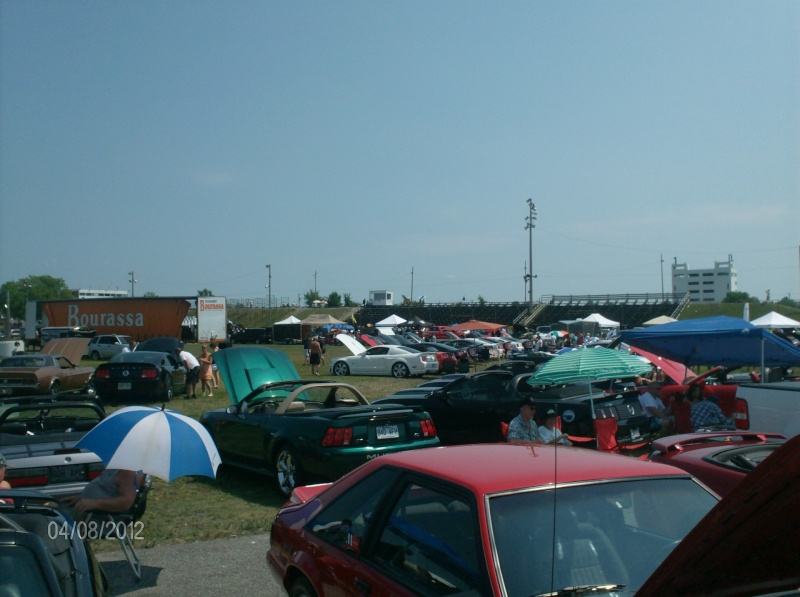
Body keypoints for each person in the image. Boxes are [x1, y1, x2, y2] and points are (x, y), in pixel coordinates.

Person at [59, 469, 144, 520]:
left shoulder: (130, 472)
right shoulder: (120, 467)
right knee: (52, 506)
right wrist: (81, 499)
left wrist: (93, 503)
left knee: (49, 516)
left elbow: (126, 502)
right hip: (87, 511)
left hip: (97, 517)